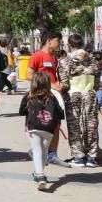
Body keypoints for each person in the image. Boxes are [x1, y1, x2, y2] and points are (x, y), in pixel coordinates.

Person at [26, 31, 71, 168]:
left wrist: (59, 85)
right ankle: (37, 151)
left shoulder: (54, 57)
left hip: (54, 96)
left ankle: (52, 155)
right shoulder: (37, 56)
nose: (60, 43)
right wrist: (49, 85)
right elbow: (29, 75)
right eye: (58, 40)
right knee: (41, 124)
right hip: (40, 97)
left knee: (56, 123)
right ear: (49, 41)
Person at [59, 34, 100, 168]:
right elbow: (97, 82)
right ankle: (91, 157)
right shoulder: (93, 59)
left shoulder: (65, 61)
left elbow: (64, 84)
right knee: (91, 125)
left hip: (73, 95)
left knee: (74, 126)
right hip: (90, 93)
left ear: (69, 45)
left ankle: (78, 157)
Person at [19, 72, 64, 191]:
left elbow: (21, 111)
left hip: (33, 127)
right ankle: (38, 172)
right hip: (49, 129)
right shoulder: (52, 97)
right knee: (44, 152)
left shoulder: (29, 96)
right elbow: (60, 113)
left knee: (37, 151)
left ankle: (40, 176)